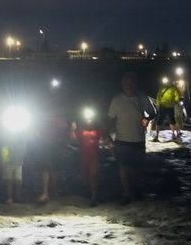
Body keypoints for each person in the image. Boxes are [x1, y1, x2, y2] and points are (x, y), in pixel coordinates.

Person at [107, 72, 155, 204]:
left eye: (130, 83)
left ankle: (136, 190)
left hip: (138, 139)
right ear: (122, 84)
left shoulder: (141, 98)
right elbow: (110, 119)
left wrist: (146, 119)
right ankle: (127, 194)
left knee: (138, 168)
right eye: (125, 83)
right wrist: (107, 136)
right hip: (122, 140)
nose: (128, 86)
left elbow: (152, 112)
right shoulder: (116, 100)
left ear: (135, 84)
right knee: (123, 167)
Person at [36, 92, 68, 204]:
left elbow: (64, 129)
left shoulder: (60, 117)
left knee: (55, 169)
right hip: (46, 144)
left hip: (57, 144)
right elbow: (38, 129)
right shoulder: (44, 116)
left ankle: (54, 190)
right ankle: (45, 193)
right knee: (46, 167)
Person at [70, 112, 101, 207]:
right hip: (84, 158)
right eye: (88, 121)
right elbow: (73, 138)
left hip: (94, 158)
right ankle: (89, 193)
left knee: (94, 175)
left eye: (91, 121)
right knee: (86, 177)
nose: (89, 123)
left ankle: (94, 196)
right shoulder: (81, 131)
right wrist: (72, 130)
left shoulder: (97, 131)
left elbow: (106, 138)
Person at [151, 76, 181, 142]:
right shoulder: (162, 88)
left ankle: (173, 134)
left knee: (172, 121)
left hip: (170, 107)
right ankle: (156, 136)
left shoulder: (173, 88)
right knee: (159, 121)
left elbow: (176, 96)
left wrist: (176, 100)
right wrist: (158, 104)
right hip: (163, 107)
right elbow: (158, 96)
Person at [1, 137, 26, 204]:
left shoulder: (22, 138)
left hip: (19, 162)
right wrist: (5, 160)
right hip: (9, 163)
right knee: (9, 180)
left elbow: (24, 149)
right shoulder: (7, 137)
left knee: (19, 181)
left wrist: (22, 159)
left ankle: (18, 197)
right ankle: (9, 198)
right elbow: (5, 148)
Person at [173, 76, 189, 141]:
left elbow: (185, 92)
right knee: (177, 117)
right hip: (176, 103)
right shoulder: (174, 84)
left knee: (180, 117)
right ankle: (177, 132)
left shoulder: (184, 83)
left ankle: (178, 131)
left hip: (181, 102)